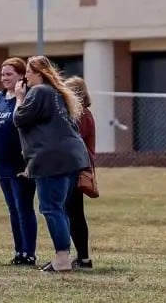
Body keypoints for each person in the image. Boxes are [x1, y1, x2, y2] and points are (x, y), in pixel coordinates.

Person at [12, 55, 90, 273]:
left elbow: (19, 119)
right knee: (60, 208)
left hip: (51, 159)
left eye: (27, 71)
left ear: (37, 72)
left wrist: (19, 97)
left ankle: (63, 258)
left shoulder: (38, 92)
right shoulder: (56, 93)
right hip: (71, 158)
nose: (25, 75)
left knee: (51, 208)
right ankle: (63, 256)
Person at [0, 57, 38, 266]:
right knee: (13, 210)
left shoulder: (25, 99)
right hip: (4, 165)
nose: (4, 78)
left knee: (24, 207)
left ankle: (29, 252)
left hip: (21, 164)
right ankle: (19, 251)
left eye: (9, 74)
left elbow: (31, 132)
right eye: (2, 74)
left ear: (21, 76)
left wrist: (30, 162)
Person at [64, 75, 96, 270]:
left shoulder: (81, 115)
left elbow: (74, 140)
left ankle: (82, 257)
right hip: (76, 165)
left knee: (73, 213)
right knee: (73, 212)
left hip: (76, 167)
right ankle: (80, 257)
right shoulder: (84, 114)